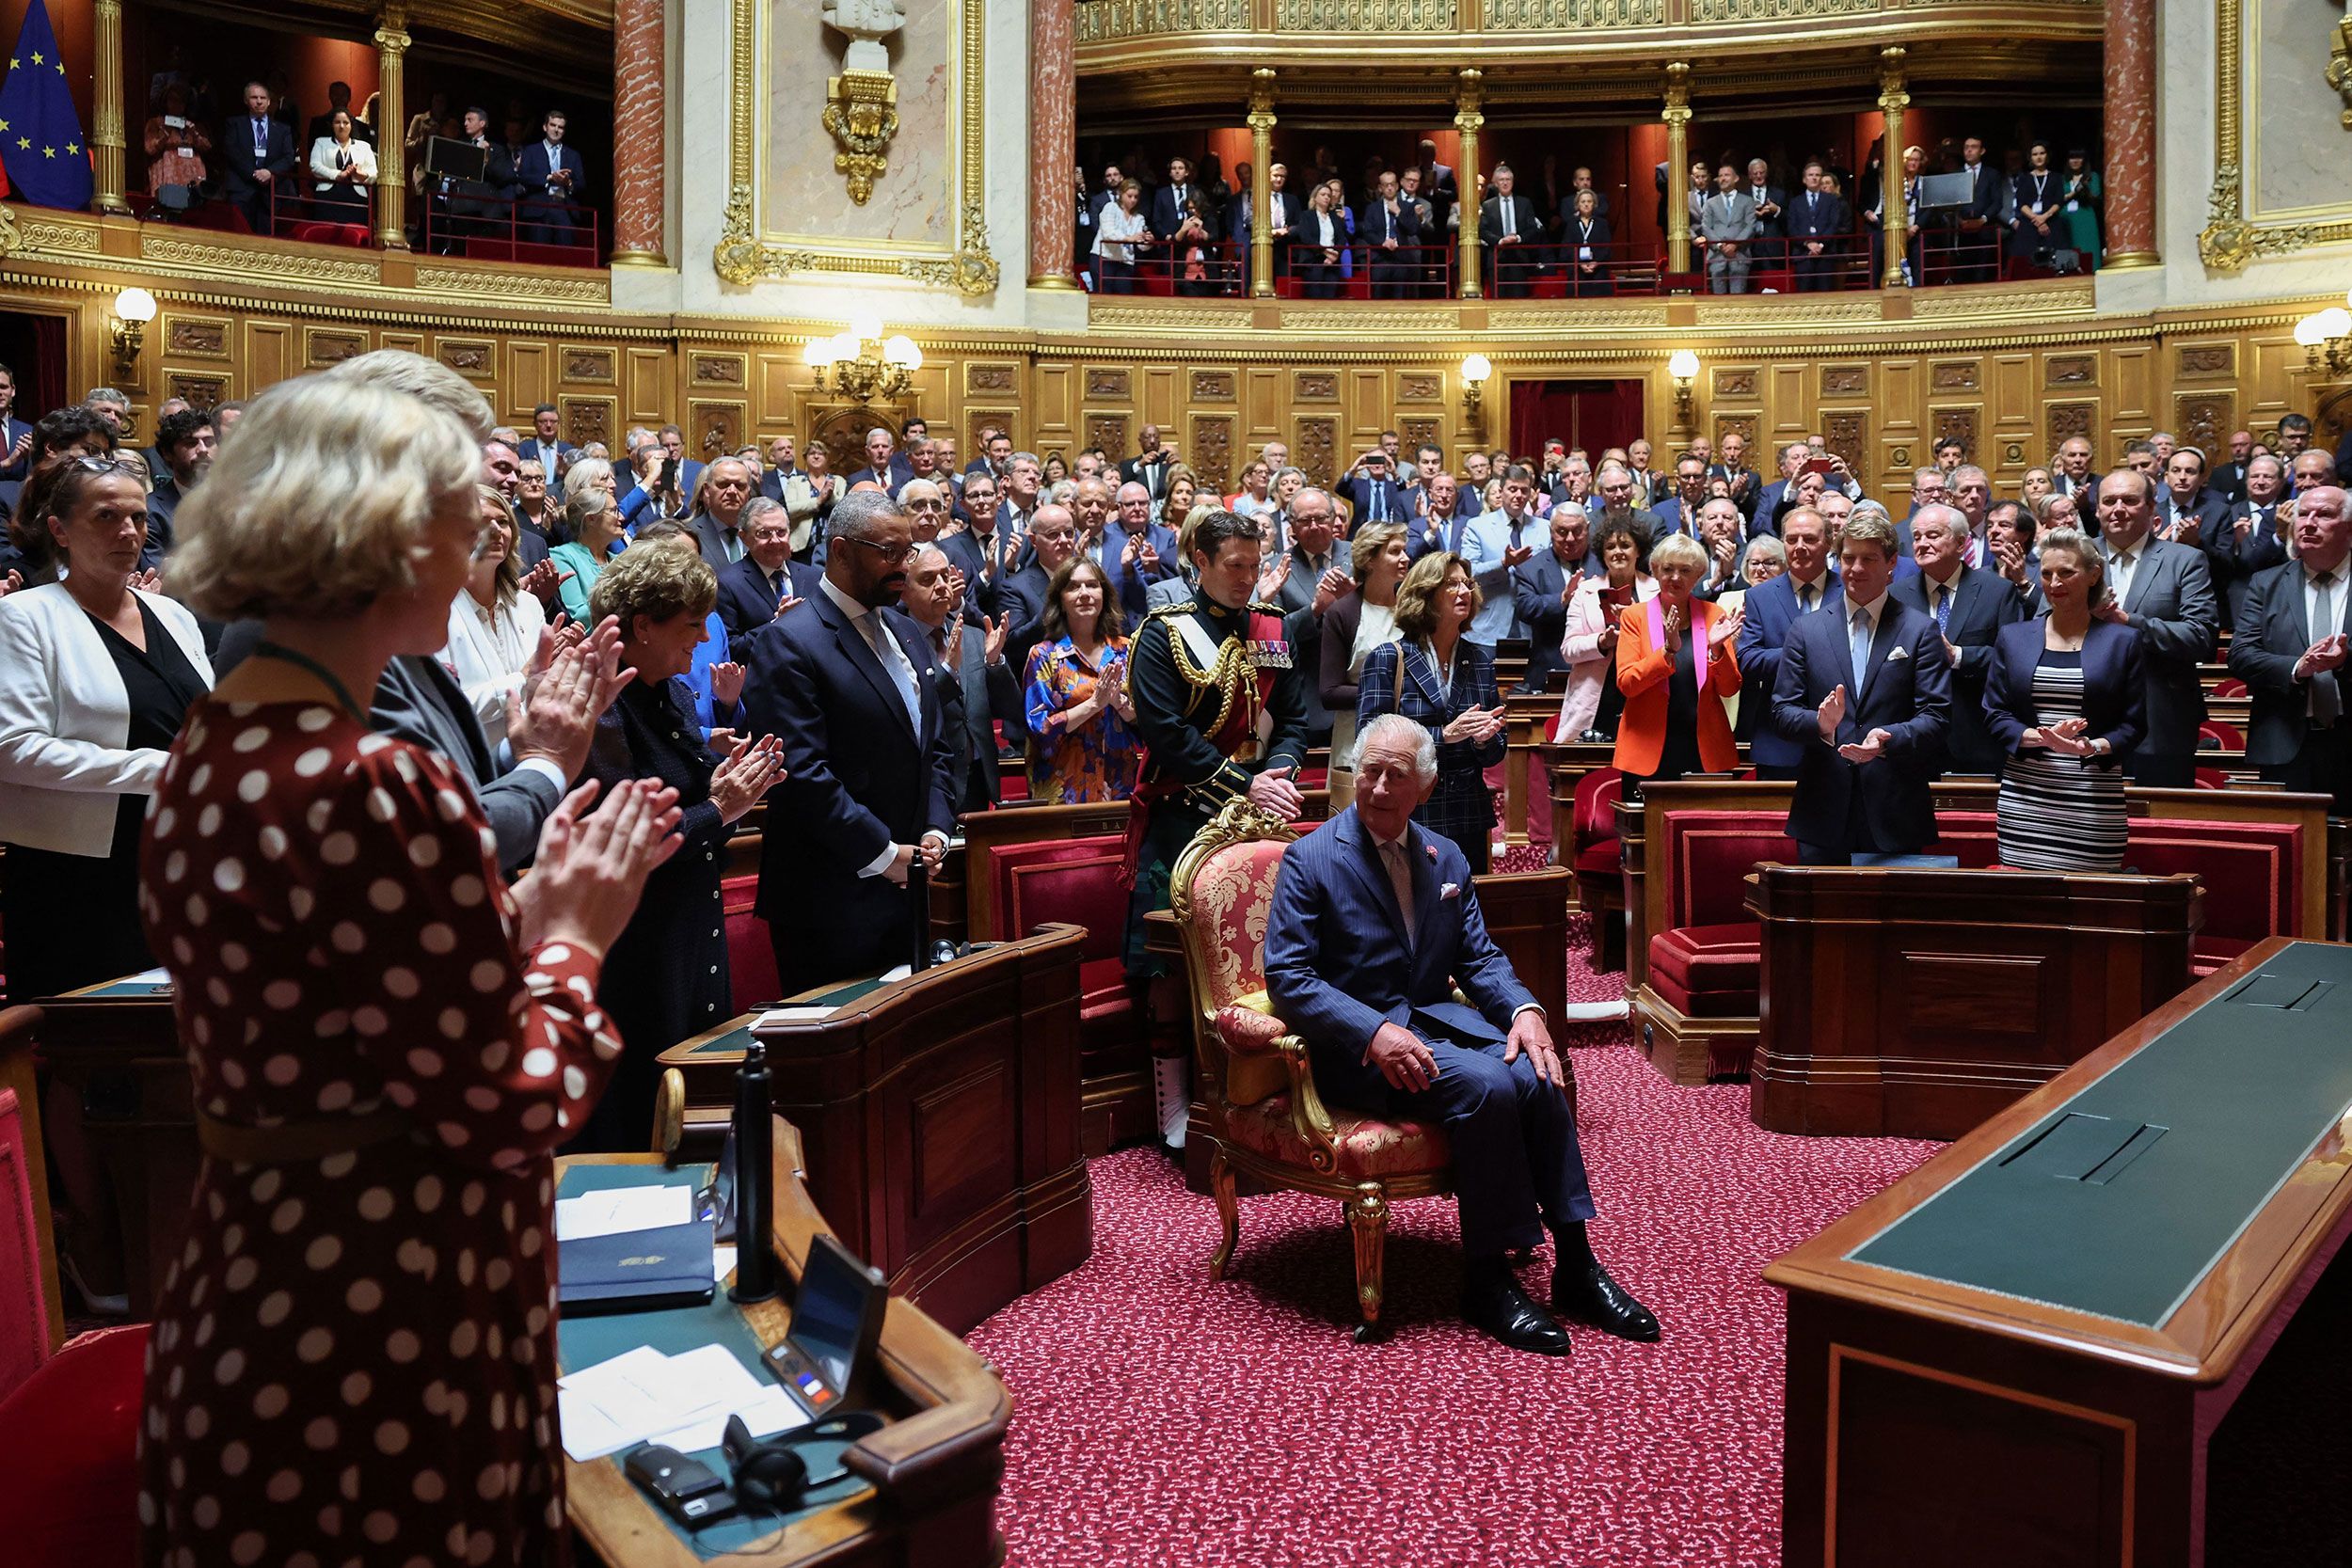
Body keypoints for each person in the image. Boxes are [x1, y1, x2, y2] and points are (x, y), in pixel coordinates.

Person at [141, 372, 683, 1565]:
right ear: (381, 535)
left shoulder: (216, 737)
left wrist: (514, 912)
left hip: (252, 1292)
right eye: (461, 519)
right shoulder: (374, 780)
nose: (482, 545)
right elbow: (511, 1103)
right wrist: (575, 933)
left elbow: (351, 1004)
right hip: (386, 1324)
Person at [1263, 712, 1658, 1355]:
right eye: (1370, 771)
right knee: (1486, 1086)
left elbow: (1479, 959)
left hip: (1434, 1025)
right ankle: (1487, 1277)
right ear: (1353, 774)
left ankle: (1577, 1264)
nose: (1381, 787)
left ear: (1425, 785)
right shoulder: (1311, 858)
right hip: (1355, 1052)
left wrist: (1526, 1011)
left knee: (1538, 1071)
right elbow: (1291, 978)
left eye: (1397, 775)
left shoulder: (1442, 855)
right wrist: (1374, 1033)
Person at [574, 543, 787, 1149]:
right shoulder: (601, 703)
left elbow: (684, 787)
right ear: (643, 625)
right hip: (636, 947)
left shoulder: (668, 689)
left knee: (695, 1100)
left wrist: (722, 783)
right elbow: (627, 838)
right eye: (691, 624)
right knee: (643, 1111)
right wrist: (721, 806)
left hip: (689, 924)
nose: (702, 638)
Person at [1124, 508, 1311, 1140]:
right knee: (1172, 969)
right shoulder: (1163, 634)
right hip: (1183, 823)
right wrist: (1244, 783)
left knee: (1269, 960)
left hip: (1262, 820)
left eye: (1255, 567)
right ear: (1198, 562)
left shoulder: (1273, 627)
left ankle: (1263, 1092)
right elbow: (1168, 735)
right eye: (1234, 566)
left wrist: (1278, 773)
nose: (1247, 578)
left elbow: (1294, 718)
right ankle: (1175, 1106)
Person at [0, 455, 214, 1002]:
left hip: (179, 856)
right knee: (91, 1052)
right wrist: (159, 769)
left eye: (139, 518)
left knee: (176, 1039)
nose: (129, 531)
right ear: (59, 530)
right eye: (106, 517)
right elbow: (13, 749)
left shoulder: (173, 615)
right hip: (77, 873)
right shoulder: (25, 617)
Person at [739, 489, 958, 991]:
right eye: (889, 552)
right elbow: (800, 773)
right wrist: (883, 854)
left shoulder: (904, 629)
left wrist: (936, 829)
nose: (903, 566)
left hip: (909, 888)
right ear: (839, 551)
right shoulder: (790, 640)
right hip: (828, 900)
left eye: (908, 552)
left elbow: (934, 745)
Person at [1768, 509, 1952, 863]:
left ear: (1891, 563)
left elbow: (1937, 716)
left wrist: (1889, 737)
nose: (1856, 569)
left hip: (1894, 807)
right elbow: (1781, 711)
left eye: (1869, 558)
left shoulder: (1919, 629)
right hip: (1822, 810)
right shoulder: (1806, 630)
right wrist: (1820, 724)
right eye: (1848, 558)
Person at [1983, 528, 2144, 868]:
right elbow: (1995, 713)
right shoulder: (2013, 637)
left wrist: (2091, 746)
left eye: (2066, 572)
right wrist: (2039, 737)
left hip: (2092, 800)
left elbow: (2134, 724)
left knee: (2090, 908)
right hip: (2026, 799)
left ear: (2093, 575)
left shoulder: (2123, 641)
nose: (2054, 582)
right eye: (2046, 573)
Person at [1356, 553, 1507, 874]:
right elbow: (1367, 739)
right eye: (1451, 584)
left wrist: (1484, 740)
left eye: (1467, 583)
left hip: (1468, 814)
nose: (1464, 591)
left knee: (1466, 912)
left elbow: (1495, 752)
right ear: (1425, 593)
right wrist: (1445, 736)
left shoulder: (1480, 660)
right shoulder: (1388, 658)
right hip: (1409, 812)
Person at [2227, 485, 2350, 809]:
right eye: (2303, 514)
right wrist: (2299, 667)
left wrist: (2343, 663)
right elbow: (2241, 655)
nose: (2309, 523)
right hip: (2285, 741)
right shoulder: (2266, 583)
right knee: (2292, 851)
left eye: (2324, 515)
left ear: (2349, 527)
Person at [2093, 468, 2217, 786]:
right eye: (2109, 501)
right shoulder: (2075, 557)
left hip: (2161, 721)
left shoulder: (2185, 560)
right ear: (2097, 510)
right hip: (2085, 723)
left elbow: (2201, 636)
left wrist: (2129, 622)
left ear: (2151, 509)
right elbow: (2042, 626)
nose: (2118, 508)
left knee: (2162, 827)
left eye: (2130, 500)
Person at [1890, 503, 2025, 776]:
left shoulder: (1997, 592)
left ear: (1961, 543)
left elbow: (2015, 661)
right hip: (1912, 738)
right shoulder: (1895, 596)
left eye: (1933, 535)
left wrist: (1959, 656)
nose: (1922, 543)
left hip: (1977, 736)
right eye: (1916, 537)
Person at [1609, 532, 1742, 790]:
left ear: (1699, 575)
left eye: (1685, 570)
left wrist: (1717, 650)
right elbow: (1627, 683)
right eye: (1668, 569)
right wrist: (1667, 652)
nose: (1675, 577)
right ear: (1656, 571)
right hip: (1648, 749)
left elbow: (1730, 688)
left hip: (1704, 748)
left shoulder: (1714, 614)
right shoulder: (1634, 617)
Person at [902, 544, 1022, 810]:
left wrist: (994, 663)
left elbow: (1011, 708)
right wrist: (948, 672)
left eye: (946, 576)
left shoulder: (974, 635)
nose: (943, 585)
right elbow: (915, 714)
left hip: (979, 776)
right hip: (930, 781)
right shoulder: (896, 642)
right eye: (928, 579)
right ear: (904, 590)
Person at [1023, 557, 1141, 803]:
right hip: (1064, 790)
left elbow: (1147, 723)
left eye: (1092, 585)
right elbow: (1040, 730)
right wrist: (1093, 704)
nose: (1084, 593)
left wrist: (1119, 703)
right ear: (1061, 601)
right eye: (1074, 587)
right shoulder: (1045, 655)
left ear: (1104, 595)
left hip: (1120, 785)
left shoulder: (1127, 650)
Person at [439, 484, 549, 748]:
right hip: (473, 768)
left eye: (503, 521)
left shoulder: (529, 604)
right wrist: (523, 678)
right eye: (481, 521)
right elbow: (447, 709)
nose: (496, 530)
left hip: (534, 756)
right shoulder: (436, 611)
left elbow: (543, 691)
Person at [1320, 521, 1411, 808]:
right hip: (1355, 738)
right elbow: (1330, 692)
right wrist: (1386, 694)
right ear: (1370, 560)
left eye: (1405, 550)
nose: (1405, 558)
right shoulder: (1342, 612)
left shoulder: (1412, 611)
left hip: (1407, 736)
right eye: (1394, 551)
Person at [717, 496, 818, 647]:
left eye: (781, 532)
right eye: (764, 533)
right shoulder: (726, 584)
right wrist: (777, 624)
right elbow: (731, 648)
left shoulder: (813, 576)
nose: (775, 540)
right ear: (744, 538)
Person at [222, 79, 298, 234]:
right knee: (239, 237)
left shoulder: (282, 129)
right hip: (242, 189)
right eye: (254, 98)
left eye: (262, 98)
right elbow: (231, 151)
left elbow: (288, 157)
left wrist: (269, 173)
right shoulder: (234, 124)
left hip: (270, 192)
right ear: (246, 100)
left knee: (266, 240)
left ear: (269, 101)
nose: (258, 102)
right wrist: (253, 173)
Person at [552, 486, 627, 625]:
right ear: (591, 519)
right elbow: (579, 617)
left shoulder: (620, 560)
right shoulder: (562, 557)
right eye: (614, 511)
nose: (621, 517)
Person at [516, 107, 589, 246]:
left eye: (560, 127)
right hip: (538, 208)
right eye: (553, 125)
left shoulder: (573, 155)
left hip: (563, 208)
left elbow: (582, 184)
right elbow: (523, 177)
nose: (556, 130)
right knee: (539, 255)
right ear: (545, 127)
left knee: (565, 254)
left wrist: (568, 183)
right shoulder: (531, 150)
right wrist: (549, 177)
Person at [142, 82, 213, 198]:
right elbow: (150, 148)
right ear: (166, 102)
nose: (177, 105)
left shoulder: (194, 125)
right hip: (168, 177)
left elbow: (207, 147)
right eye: (173, 100)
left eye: (181, 101)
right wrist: (165, 133)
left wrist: (194, 134)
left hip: (193, 177)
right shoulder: (156, 123)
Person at [307, 106, 377, 218]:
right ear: (331, 125)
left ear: (351, 125)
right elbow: (314, 165)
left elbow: (374, 172)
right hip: (327, 194)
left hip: (357, 196)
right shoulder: (321, 142)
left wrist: (362, 175)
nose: (341, 126)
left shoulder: (364, 146)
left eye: (346, 122)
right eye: (337, 122)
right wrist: (338, 175)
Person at [1294, 180, 1347, 298]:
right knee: (1314, 296)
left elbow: (1342, 238)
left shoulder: (1334, 217)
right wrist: (1324, 251)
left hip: (1332, 261)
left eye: (1328, 195)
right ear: (1315, 197)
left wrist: (1335, 254)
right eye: (1323, 195)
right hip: (1313, 261)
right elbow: (1305, 237)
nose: (1326, 198)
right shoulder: (1307, 215)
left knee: (1330, 296)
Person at [1095, 179, 1150, 293]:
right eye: (1129, 196)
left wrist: (1147, 241)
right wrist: (1129, 238)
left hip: (1125, 261)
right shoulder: (1111, 207)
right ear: (1121, 194)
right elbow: (1108, 233)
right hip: (1104, 258)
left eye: (1136, 197)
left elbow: (1141, 245)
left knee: (1125, 295)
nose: (1133, 200)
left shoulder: (1139, 218)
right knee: (1104, 295)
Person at [2058, 149, 2102, 269]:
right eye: (2072, 158)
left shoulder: (2092, 177)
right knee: (2068, 253)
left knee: (2088, 252)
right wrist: (2074, 192)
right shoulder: (2062, 179)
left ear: (2084, 160)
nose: (2075, 161)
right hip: (2066, 220)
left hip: (2086, 219)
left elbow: (2096, 196)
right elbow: (2056, 198)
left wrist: (2085, 190)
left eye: (2079, 157)